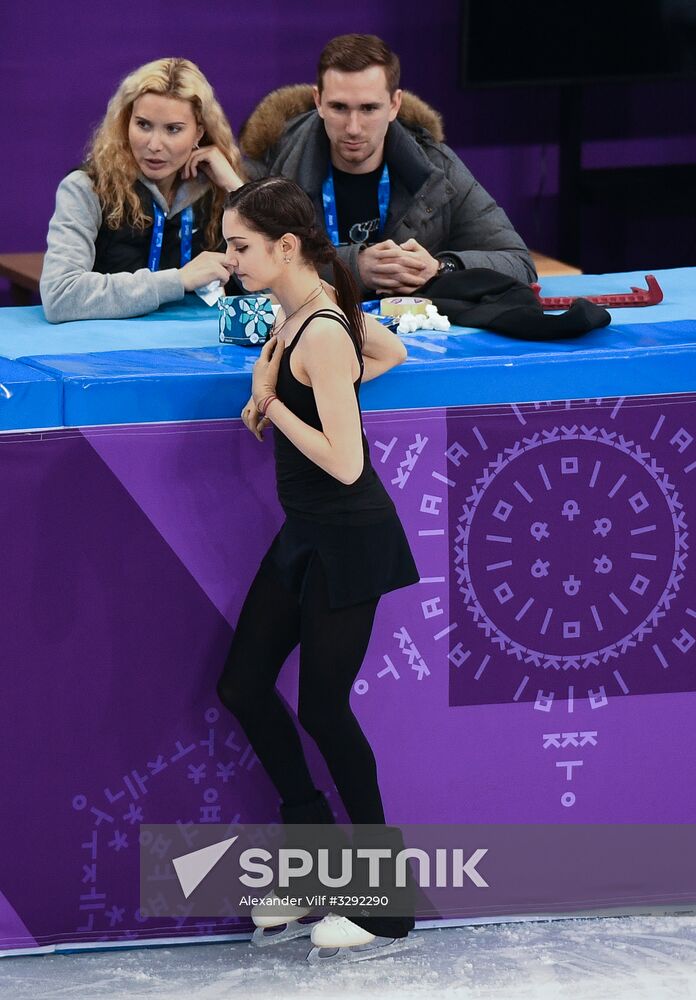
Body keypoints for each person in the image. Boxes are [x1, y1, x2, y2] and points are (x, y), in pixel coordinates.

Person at [215, 176, 422, 965]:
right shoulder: (299, 309)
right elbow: (393, 348)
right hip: (306, 535)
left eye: (240, 246)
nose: (230, 259)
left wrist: (276, 402)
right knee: (241, 685)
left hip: (347, 536)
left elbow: (344, 462)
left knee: (325, 711)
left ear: (286, 247)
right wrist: (305, 390)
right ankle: (313, 870)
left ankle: (388, 904)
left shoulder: (323, 332)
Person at [240, 33, 536, 299]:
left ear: (394, 104)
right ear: (318, 101)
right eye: (339, 107)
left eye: (369, 108)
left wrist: (440, 267)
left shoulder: (436, 167)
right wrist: (354, 269)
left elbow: (520, 264)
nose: (353, 128)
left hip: (413, 345)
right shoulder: (272, 163)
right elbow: (239, 274)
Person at [41, 57, 245, 323]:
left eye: (173, 129)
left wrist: (239, 191)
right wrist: (178, 280)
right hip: (104, 355)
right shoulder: (86, 187)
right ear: (127, 122)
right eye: (144, 125)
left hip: (203, 355)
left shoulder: (220, 192)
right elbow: (60, 297)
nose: (154, 145)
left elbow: (278, 287)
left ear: (198, 133)